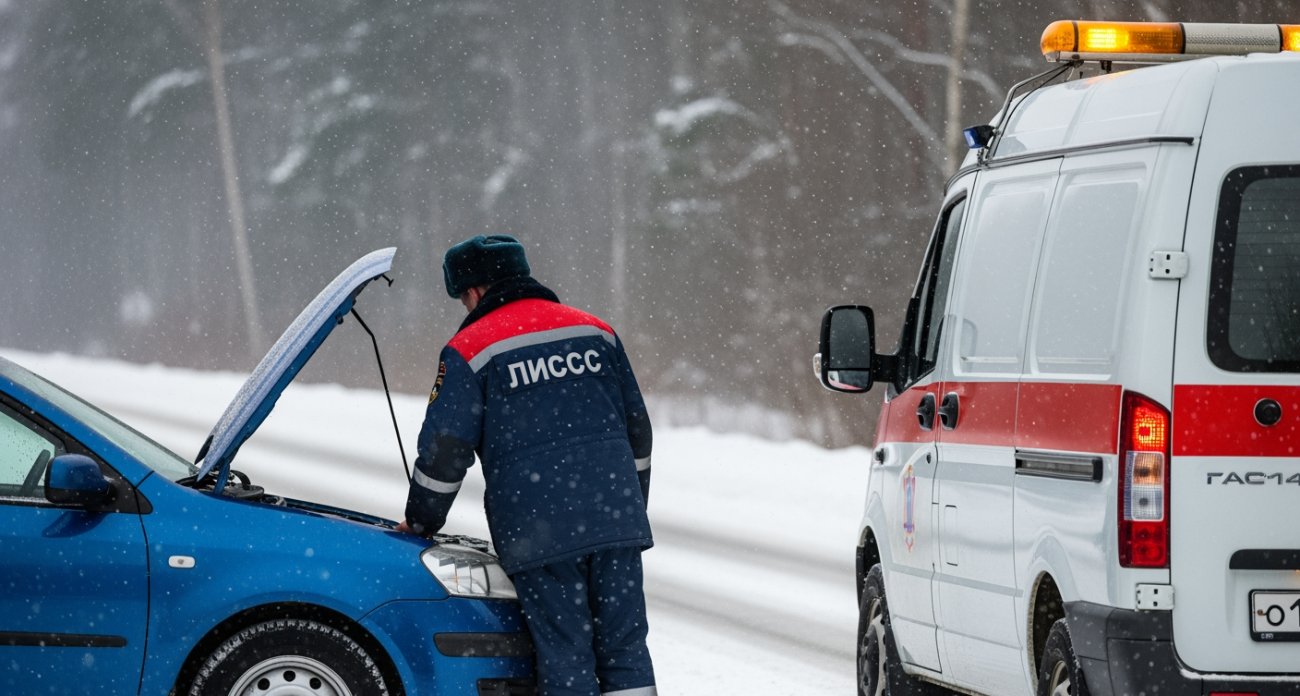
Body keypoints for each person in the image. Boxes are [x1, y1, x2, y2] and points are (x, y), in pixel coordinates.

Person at [396, 234, 657, 696]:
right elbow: (638, 431)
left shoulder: (470, 348)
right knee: (626, 651)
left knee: (566, 656)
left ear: (473, 290)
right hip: (616, 521)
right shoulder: (596, 331)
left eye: (462, 297)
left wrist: (421, 520)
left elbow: (445, 450)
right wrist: (628, 506)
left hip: (541, 532)